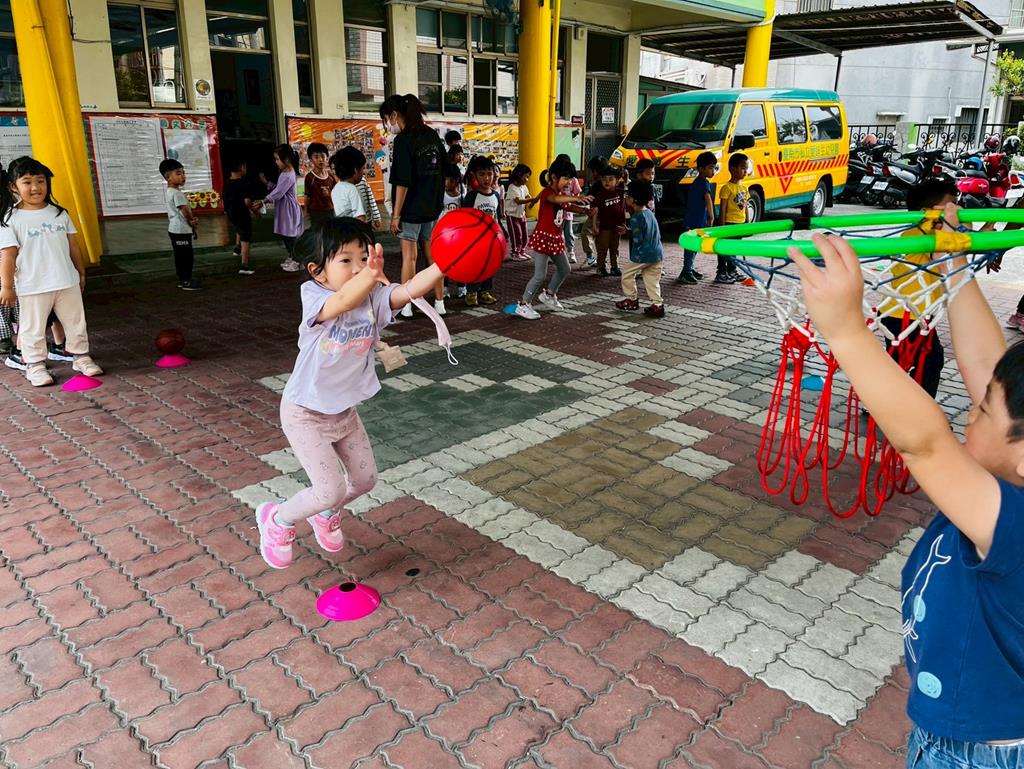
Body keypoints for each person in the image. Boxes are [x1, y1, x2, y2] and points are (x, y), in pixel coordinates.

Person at [786, 216, 1024, 769]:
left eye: (981, 409)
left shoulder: (1013, 525)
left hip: (977, 753)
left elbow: (925, 445)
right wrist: (955, 263)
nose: (969, 413)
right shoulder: (1005, 486)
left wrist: (847, 331)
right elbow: (984, 365)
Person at [254, 217, 446, 569]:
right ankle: (277, 519)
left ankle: (326, 513)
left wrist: (445, 264)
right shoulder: (315, 296)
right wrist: (370, 276)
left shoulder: (372, 297)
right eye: (346, 260)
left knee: (364, 480)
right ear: (317, 271)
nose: (358, 267)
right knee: (329, 489)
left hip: (344, 412)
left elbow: (408, 290)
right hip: (305, 414)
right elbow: (342, 301)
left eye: (364, 258)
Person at [0, 157, 102, 387]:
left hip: (66, 281)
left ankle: (81, 357)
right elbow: (8, 255)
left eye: (41, 181)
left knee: (76, 322)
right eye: (27, 182)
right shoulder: (10, 219)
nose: (36, 187)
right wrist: (7, 287)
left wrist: (80, 273)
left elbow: (73, 245)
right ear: (13, 186)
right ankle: (34, 365)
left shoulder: (59, 213)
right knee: (32, 328)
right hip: (32, 285)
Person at [875, 178, 960, 400]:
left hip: (906, 313)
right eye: (950, 206)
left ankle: (886, 401)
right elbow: (946, 253)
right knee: (930, 360)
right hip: (906, 315)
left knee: (904, 360)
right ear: (926, 212)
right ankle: (917, 407)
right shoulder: (919, 234)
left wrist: (989, 226)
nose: (957, 210)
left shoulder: (922, 232)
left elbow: (963, 243)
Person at [380, 94, 447, 318]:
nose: (388, 125)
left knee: (410, 258)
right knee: (433, 257)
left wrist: (396, 215)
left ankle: (407, 306)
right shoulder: (431, 134)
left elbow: (402, 181)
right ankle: (440, 303)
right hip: (433, 207)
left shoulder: (403, 140)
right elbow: (444, 169)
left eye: (386, 119)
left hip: (411, 210)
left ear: (394, 115)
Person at [514, 157, 591, 320]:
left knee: (565, 269)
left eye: (571, 179)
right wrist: (576, 198)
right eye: (566, 178)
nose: (569, 182)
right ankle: (523, 304)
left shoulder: (561, 194)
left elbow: (568, 206)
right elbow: (556, 200)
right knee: (539, 275)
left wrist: (585, 211)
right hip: (543, 239)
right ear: (554, 177)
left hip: (555, 239)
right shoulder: (548, 193)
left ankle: (549, 295)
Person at [615, 181, 665, 317]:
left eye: (627, 196)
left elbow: (638, 238)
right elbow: (647, 232)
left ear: (633, 200)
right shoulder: (649, 213)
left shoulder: (636, 217)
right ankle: (657, 305)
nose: (625, 198)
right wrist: (629, 231)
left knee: (627, 273)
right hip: (657, 254)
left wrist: (628, 233)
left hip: (643, 254)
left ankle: (631, 300)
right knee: (652, 280)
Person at [252, 144, 304, 273]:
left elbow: (278, 193)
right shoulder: (285, 173)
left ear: (286, 159)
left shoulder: (288, 175)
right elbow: (279, 189)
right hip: (285, 209)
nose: (276, 162)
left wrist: (263, 201)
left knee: (290, 236)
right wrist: (267, 183)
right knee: (286, 234)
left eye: (277, 159)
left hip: (288, 210)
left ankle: (297, 261)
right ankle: (292, 256)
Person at [461, 155, 502, 307]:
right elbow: (464, 218)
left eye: (489, 174)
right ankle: (471, 292)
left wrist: (500, 233)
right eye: (482, 174)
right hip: (474, 239)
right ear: (475, 176)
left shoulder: (496, 195)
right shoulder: (471, 197)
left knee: (489, 265)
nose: (486, 178)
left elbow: (496, 217)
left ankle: (485, 291)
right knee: (475, 266)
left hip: (490, 239)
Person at [159, 158, 201, 291]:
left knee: (180, 256)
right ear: (168, 177)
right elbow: (184, 210)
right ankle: (186, 281)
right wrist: (192, 221)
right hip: (180, 230)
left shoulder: (170, 191)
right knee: (186, 257)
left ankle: (183, 279)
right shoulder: (177, 194)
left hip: (175, 229)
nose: (183, 176)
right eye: (178, 173)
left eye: (183, 173)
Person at [677, 151, 716, 284]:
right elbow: (708, 199)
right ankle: (686, 271)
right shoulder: (703, 183)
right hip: (696, 220)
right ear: (701, 169)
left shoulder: (697, 182)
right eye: (710, 168)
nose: (713, 171)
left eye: (714, 168)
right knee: (692, 245)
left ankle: (689, 268)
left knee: (694, 245)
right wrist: (712, 217)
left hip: (695, 218)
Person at [716, 153, 748, 284]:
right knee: (724, 248)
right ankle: (721, 272)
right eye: (743, 168)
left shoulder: (744, 187)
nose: (745, 171)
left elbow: (745, 205)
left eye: (746, 168)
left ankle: (732, 270)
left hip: (740, 223)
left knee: (734, 248)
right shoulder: (726, 188)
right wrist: (722, 225)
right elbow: (723, 208)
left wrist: (747, 222)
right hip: (729, 223)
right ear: (733, 169)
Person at [223, 158, 255, 275]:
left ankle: (237, 248)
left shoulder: (227, 183)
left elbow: (224, 199)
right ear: (242, 168)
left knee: (239, 229)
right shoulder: (244, 183)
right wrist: (254, 210)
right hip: (242, 213)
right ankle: (244, 266)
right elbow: (247, 201)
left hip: (232, 213)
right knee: (246, 238)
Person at [593, 165, 625, 277]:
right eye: (604, 179)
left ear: (617, 181)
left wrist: (624, 224)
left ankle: (614, 267)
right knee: (602, 248)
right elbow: (595, 211)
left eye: (611, 179)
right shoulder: (600, 195)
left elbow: (624, 208)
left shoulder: (621, 193)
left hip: (617, 226)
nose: (607, 182)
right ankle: (600, 267)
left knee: (615, 247)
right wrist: (594, 226)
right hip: (604, 227)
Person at [505, 164, 534, 262]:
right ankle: (515, 253)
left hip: (522, 215)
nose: (527, 179)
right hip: (512, 216)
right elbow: (518, 201)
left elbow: (527, 196)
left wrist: (530, 200)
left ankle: (521, 251)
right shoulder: (512, 187)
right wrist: (531, 200)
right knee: (517, 235)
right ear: (519, 175)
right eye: (526, 177)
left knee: (525, 235)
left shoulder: (523, 187)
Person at [330, 146, 367, 221]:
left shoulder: (335, 189)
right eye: (362, 168)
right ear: (355, 170)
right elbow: (360, 218)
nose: (363, 172)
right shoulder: (353, 190)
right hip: (354, 227)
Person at [580, 156, 605, 267]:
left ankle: (590, 258)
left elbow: (587, 199)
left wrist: (576, 200)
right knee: (602, 238)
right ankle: (603, 260)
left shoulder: (597, 185)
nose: (590, 174)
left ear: (596, 171)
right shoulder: (610, 182)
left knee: (586, 232)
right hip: (607, 215)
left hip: (596, 215)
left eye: (591, 171)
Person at [304, 142, 336, 228]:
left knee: (330, 232)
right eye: (316, 157)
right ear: (311, 160)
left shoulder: (331, 176)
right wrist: (306, 211)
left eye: (322, 156)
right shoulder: (309, 177)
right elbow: (307, 196)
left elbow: (335, 193)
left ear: (327, 157)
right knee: (317, 232)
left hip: (330, 210)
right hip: (316, 212)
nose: (320, 159)